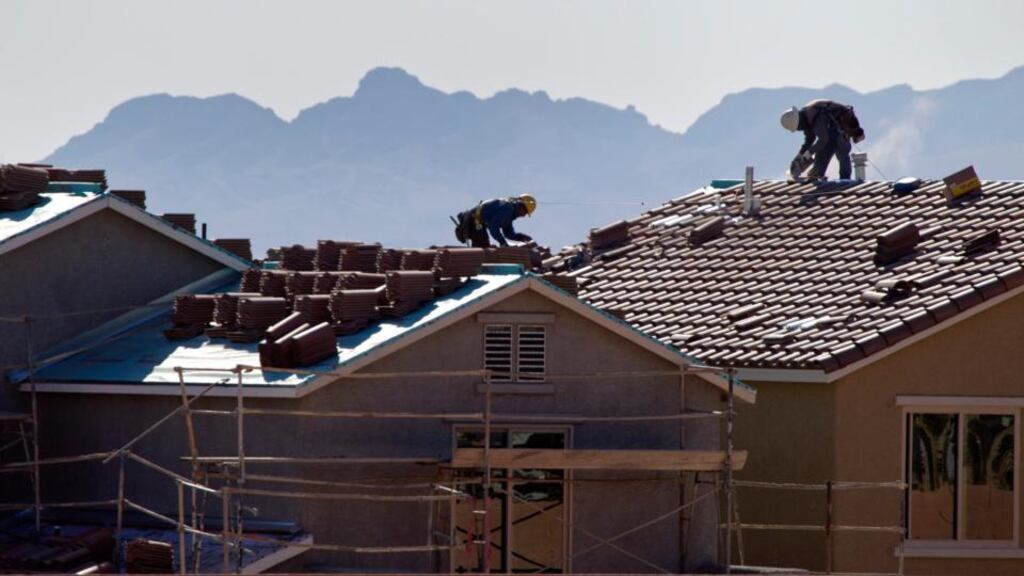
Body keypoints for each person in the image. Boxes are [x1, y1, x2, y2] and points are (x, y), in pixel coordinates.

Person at [781, 100, 865, 180]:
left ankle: (845, 179)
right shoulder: (807, 120)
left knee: (837, 148)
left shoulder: (814, 116)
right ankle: (816, 173)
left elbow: (823, 139)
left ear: (799, 120)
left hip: (839, 128)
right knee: (824, 149)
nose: (800, 129)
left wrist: (808, 154)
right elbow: (809, 140)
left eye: (799, 127)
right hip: (832, 130)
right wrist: (799, 156)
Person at [453, 194, 536, 247]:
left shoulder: (510, 212)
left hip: (475, 222)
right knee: (483, 249)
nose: (524, 215)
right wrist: (502, 242)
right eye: (525, 212)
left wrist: (521, 237)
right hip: (472, 221)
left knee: (483, 247)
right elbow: (493, 226)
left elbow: (508, 233)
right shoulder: (507, 209)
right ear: (521, 206)